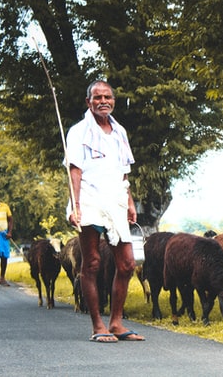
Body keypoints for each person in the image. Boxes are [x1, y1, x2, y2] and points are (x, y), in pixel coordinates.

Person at [66, 80, 145, 343]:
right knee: (92, 263)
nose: (103, 101)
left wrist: (130, 202)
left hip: (116, 201)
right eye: (97, 97)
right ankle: (97, 324)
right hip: (88, 199)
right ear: (88, 102)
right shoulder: (78, 131)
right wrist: (75, 206)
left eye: (107, 97)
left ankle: (117, 323)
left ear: (113, 100)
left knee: (127, 264)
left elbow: (124, 172)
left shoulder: (119, 131)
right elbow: (74, 171)